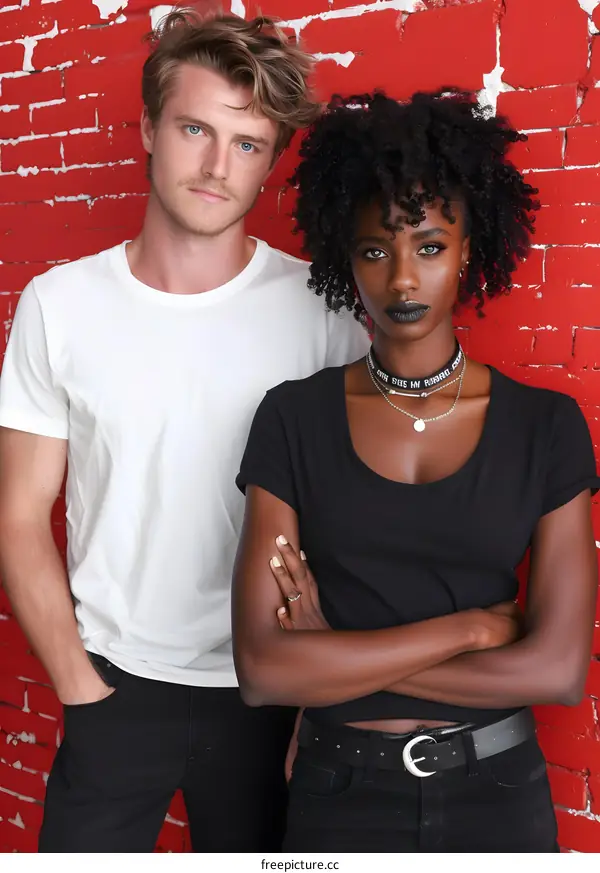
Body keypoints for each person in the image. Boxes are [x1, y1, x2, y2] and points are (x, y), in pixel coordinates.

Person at [0, 11, 367, 853]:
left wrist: (320, 698)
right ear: (148, 129)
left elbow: (358, 512)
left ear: (270, 160)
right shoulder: (60, 305)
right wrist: (76, 684)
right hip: (113, 686)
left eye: (246, 144)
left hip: (266, 685)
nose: (215, 165)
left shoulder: (323, 310)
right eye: (196, 128)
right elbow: (21, 512)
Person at [232, 90, 600, 852]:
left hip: (498, 794)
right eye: (376, 250)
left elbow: (559, 669)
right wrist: (471, 630)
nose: (402, 280)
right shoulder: (292, 419)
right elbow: (267, 670)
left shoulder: (546, 426)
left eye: (429, 245)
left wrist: (335, 651)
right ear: (345, 255)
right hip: (338, 793)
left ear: (469, 249)